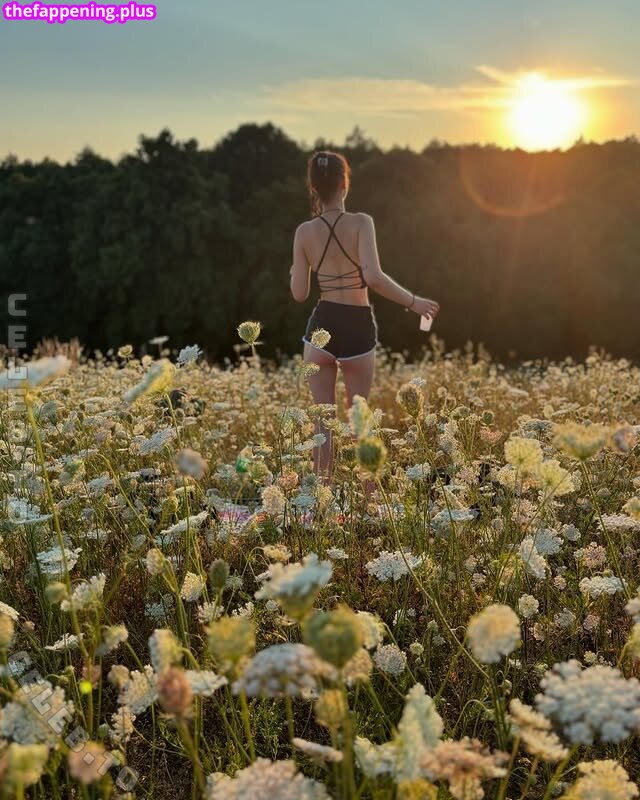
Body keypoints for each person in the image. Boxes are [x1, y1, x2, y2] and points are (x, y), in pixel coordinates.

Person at [289, 149, 440, 481]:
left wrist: (293, 273)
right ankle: (371, 504)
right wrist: (414, 302)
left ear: (313, 188)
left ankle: (321, 503)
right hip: (356, 327)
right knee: (361, 422)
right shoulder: (361, 223)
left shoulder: (304, 232)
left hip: (321, 328)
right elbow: (374, 277)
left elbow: (299, 293)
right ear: (344, 184)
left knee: (322, 425)